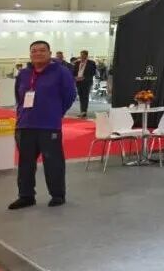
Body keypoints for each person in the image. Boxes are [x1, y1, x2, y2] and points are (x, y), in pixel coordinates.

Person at [8, 41, 76, 210]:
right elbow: (19, 96)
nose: (38, 53)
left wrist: (56, 112)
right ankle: (26, 196)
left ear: (49, 53)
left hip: (49, 125)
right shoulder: (24, 73)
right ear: (30, 54)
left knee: (53, 162)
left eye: (42, 50)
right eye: (34, 51)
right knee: (25, 163)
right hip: (25, 125)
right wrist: (21, 114)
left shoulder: (61, 72)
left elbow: (69, 95)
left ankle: (57, 195)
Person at [72, 50, 97, 118]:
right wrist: (75, 77)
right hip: (78, 81)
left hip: (86, 82)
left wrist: (84, 77)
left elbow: (93, 73)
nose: (82, 56)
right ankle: (82, 111)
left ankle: (84, 111)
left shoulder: (91, 63)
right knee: (81, 96)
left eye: (83, 55)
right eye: (81, 55)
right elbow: (74, 71)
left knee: (85, 96)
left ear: (86, 55)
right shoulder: (77, 63)